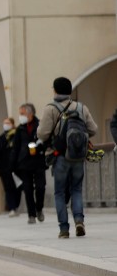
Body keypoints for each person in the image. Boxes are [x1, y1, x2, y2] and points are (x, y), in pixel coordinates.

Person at [37, 77, 98, 239]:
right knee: (76, 189)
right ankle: (79, 220)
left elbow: (42, 134)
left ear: (55, 90)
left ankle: (64, 229)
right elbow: (93, 129)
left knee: (59, 193)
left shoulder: (50, 108)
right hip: (78, 156)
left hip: (60, 156)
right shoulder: (80, 107)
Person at [13, 103, 47, 224]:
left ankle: (39, 209)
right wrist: (13, 165)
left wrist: (39, 148)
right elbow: (15, 148)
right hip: (24, 163)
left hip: (38, 161)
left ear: (30, 114)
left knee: (40, 187)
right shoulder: (20, 129)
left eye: (22, 114)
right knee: (27, 189)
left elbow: (46, 140)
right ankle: (31, 215)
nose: (20, 116)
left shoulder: (40, 126)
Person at [0, 117, 21, 219]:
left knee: (18, 188)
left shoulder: (17, 135)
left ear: (12, 124)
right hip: (4, 168)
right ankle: (12, 208)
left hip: (16, 168)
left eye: (7, 123)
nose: (5, 125)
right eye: (4, 123)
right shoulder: (2, 138)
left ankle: (15, 206)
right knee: (8, 189)